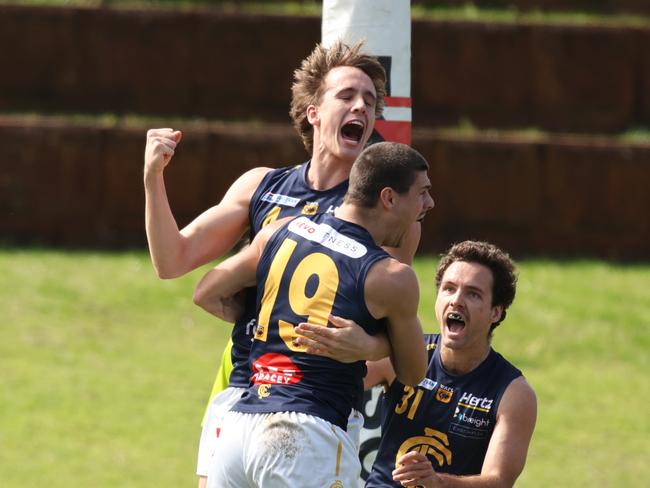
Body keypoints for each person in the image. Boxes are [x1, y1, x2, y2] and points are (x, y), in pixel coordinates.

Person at [143, 40, 417, 487]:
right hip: (239, 392)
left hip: (314, 407)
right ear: (313, 112)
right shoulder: (263, 186)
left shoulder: (385, 216)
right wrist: (153, 179)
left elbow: (395, 330)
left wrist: (368, 349)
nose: (361, 108)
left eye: (370, 101)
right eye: (347, 96)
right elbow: (171, 261)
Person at [193, 141, 434, 487]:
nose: (429, 203)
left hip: (239, 429)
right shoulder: (390, 277)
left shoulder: (280, 229)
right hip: (306, 437)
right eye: (422, 192)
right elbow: (413, 371)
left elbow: (206, 292)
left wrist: (274, 322)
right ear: (389, 198)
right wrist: (368, 347)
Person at [361, 240, 537, 487]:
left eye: (473, 294)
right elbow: (338, 381)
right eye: (449, 289)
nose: (456, 300)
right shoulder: (405, 351)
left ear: (495, 312)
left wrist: (437, 482)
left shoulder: (514, 392)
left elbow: (498, 481)